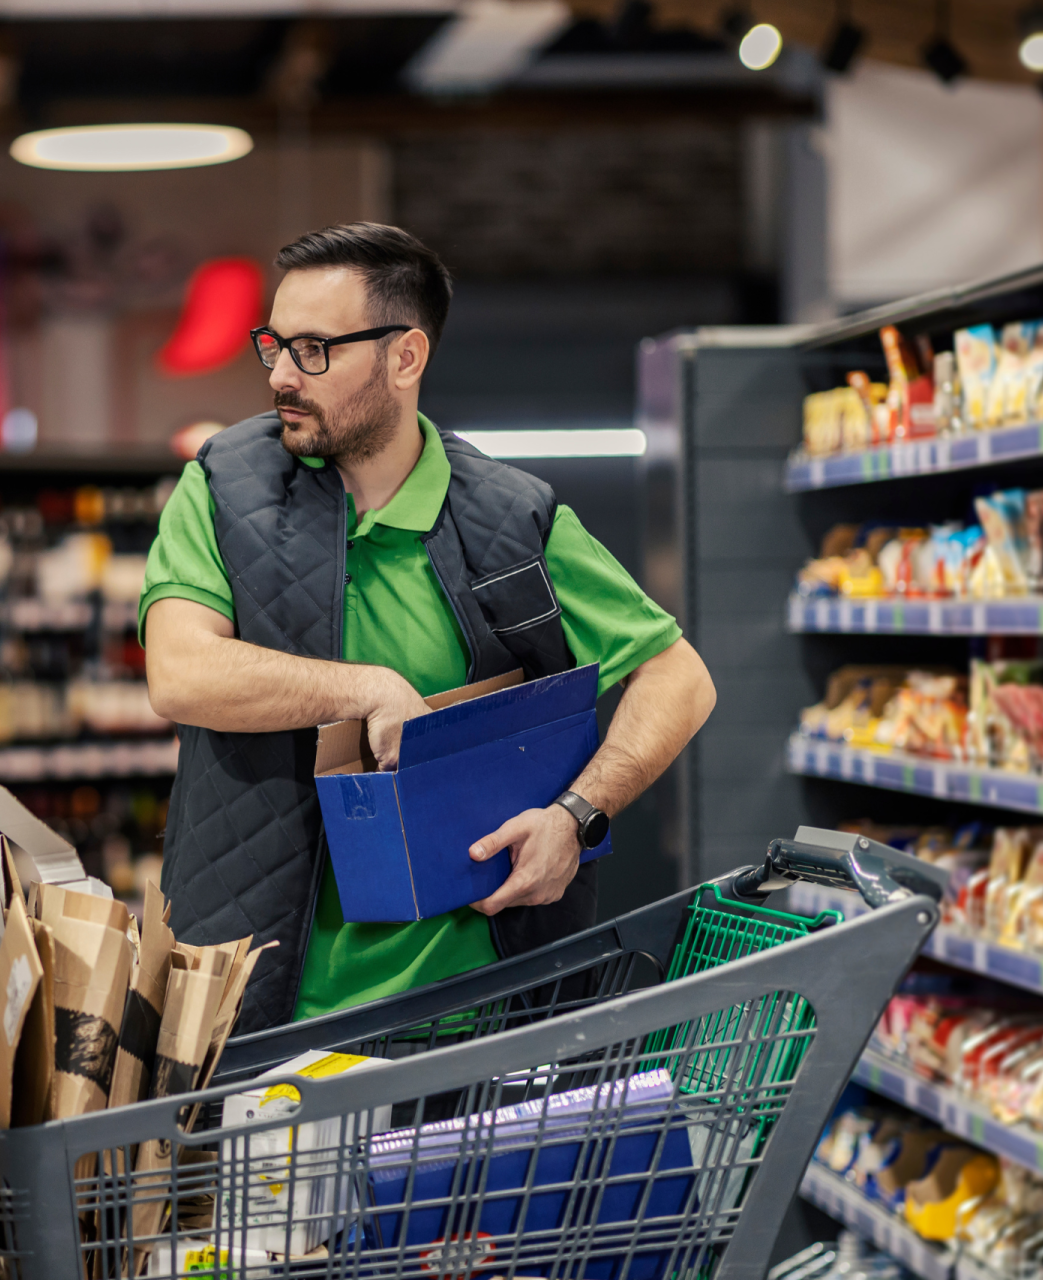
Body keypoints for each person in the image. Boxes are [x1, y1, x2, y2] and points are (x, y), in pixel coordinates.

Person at [141, 222, 716, 1036]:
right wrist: (367, 688)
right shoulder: (223, 491)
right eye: (272, 344)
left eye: (313, 350)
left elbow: (679, 678)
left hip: (477, 1021)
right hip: (264, 1021)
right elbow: (180, 672)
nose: (278, 375)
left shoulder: (512, 521)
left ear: (404, 358)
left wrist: (578, 814)